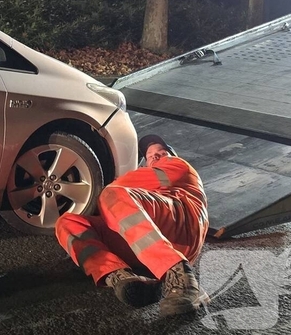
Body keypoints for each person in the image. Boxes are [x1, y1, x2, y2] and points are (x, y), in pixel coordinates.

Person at [54, 134, 210, 316]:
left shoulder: (178, 165)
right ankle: (122, 277)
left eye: (161, 152)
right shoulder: (140, 196)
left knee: (111, 195)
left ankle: (181, 278)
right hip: (145, 242)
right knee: (67, 223)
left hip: (181, 229)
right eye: (150, 156)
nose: (156, 156)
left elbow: (115, 188)